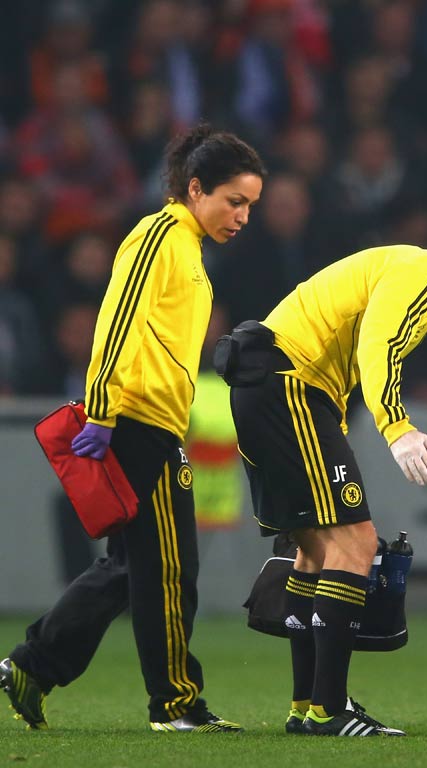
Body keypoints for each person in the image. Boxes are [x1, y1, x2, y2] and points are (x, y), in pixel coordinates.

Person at [227, 208, 427, 736]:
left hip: (271, 385)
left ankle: (308, 707)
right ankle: (331, 709)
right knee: (357, 542)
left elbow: (360, 340)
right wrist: (396, 427)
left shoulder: (409, 267)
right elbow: (381, 343)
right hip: (291, 387)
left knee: (314, 550)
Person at [0, 123, 266, 732]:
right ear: (195, 189)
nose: (244, 216)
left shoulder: (188, 249)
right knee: (169, 569)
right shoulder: (159, 235)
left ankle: (33, 665)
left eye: (250, 204)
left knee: (131, 567)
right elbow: (117, 319)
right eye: (235, 201)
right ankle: (175, 705)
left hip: (151, 422)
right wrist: (99, 408)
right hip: (136, 421)